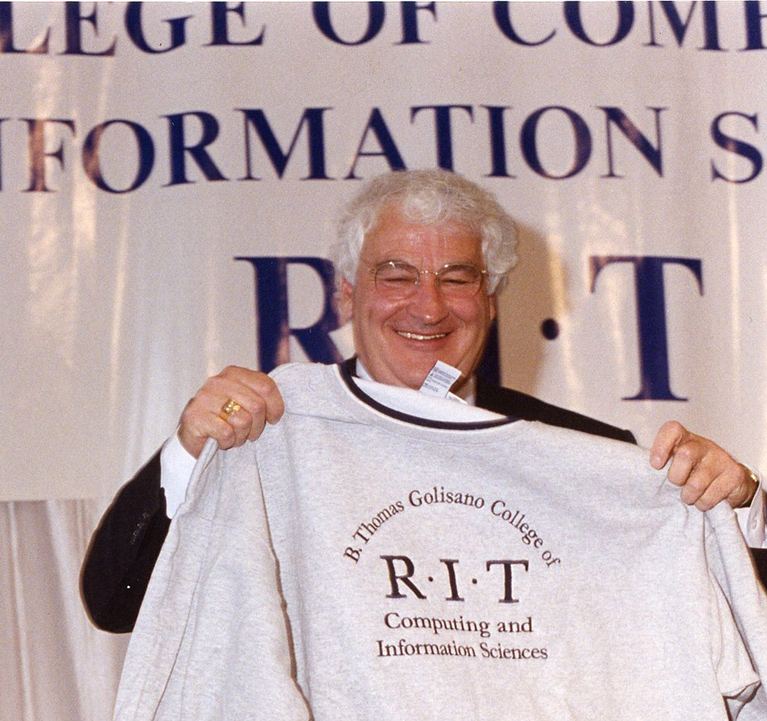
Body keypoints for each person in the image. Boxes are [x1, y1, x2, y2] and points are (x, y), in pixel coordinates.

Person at [81, 168, 763, 634]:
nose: (427, 304)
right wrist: (189, 454)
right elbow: (115, 602)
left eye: (456, 278)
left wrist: (740, 510)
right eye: (396, 274)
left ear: (490, 302)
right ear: (347, 293)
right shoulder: (266, 432)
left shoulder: (588, 455)